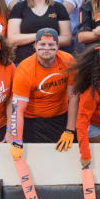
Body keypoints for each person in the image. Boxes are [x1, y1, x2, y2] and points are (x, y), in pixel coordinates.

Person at [9, 27, 78, 159]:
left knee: (64, 158)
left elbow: (74, 97)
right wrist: (17, 140)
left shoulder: (68, 60)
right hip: (32, 120)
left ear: (58, 46)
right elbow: (18, 109)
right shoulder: (25, 68)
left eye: (51, 44)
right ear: (35, 46)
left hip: (60, 116)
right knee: (37, 160)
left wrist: (70, 130)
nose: (46, 48)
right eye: (42, 44)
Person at [7, 0, 71, 64]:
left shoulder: (58, 8)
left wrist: (43, 42)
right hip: (24, 60)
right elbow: (12, 39)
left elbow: (67, 39)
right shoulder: (19, 7)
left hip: (53, 60)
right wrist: (39, 35)